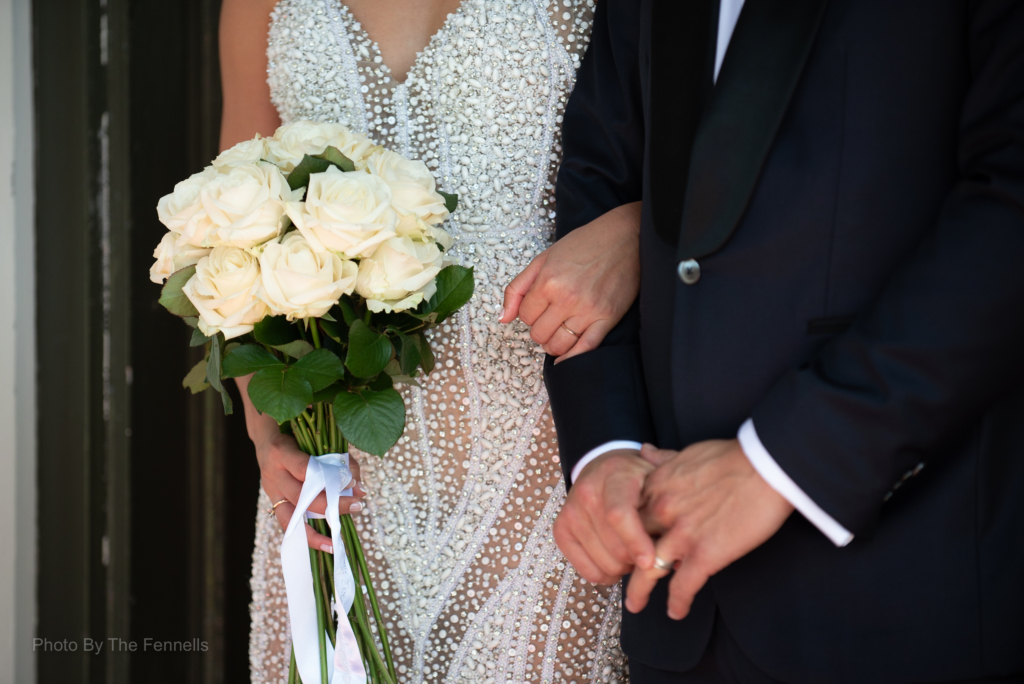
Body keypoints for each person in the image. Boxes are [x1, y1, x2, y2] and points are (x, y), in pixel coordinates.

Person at [529, 0, 1024, 682]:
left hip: (903, 583)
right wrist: (608, 449)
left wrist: (785, 461)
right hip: (674, 603)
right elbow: (606, 187)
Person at [217, 0, 643, 682]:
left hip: (548, 442)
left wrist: (637, 232)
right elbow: (233, 220)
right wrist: (265, 426)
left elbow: (721, 160)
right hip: (337, 463)